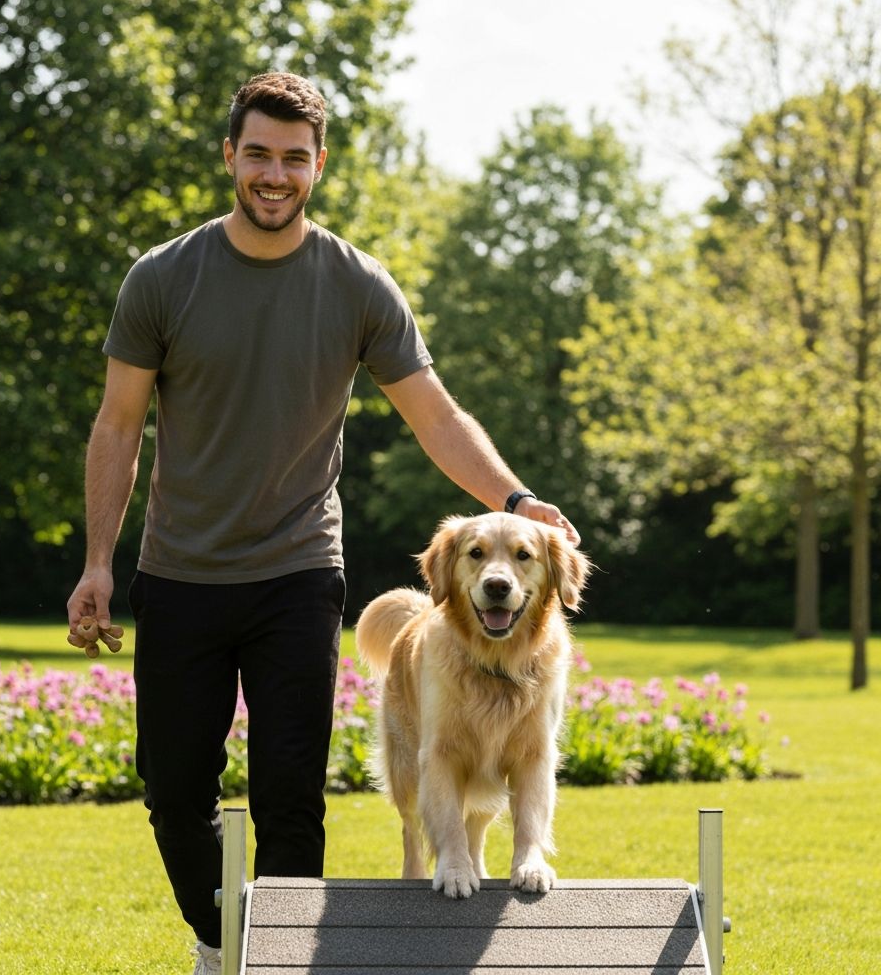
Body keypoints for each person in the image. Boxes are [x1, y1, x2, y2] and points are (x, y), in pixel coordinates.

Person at [66, 71, 580, 975]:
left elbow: (436, 416)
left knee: (292, 794)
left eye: (293, 159)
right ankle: (222, 937)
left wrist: (513, 500)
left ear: (319, 165)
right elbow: (116, 424)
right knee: (174, 787)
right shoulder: (161, 279)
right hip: (181, 570)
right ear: (230, 156)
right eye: (258, 154)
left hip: (300, 571)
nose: (275, 174)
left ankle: (272, 963)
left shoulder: (356, 284)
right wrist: (98, 563)